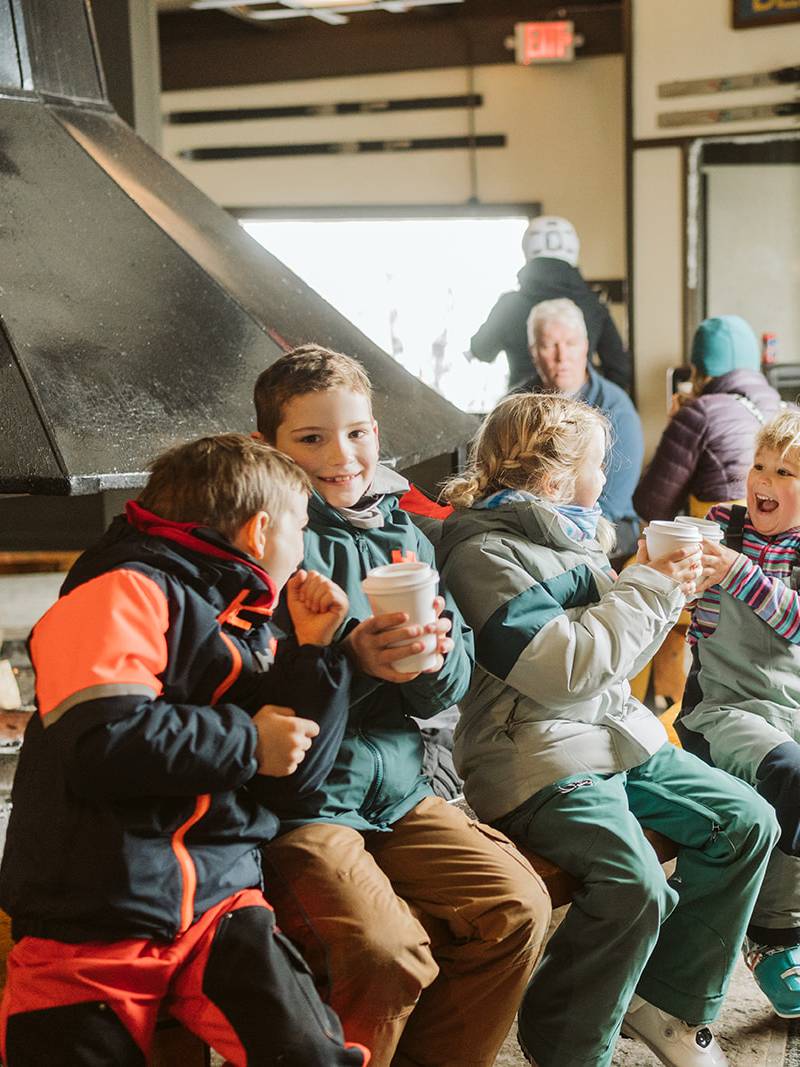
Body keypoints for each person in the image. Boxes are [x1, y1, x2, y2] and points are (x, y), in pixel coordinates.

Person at [0, 434, 369, 1067]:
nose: (305, 546)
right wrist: (249, 740)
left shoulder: (249, 622)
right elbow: (101, 742)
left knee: (314, 1055)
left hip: (219, 904)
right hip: (92, 915)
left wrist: (316, 653)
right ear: (259, 532)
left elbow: (293, 782)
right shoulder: (118, 593)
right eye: (301, 528)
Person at [436, 391, 779, 1067]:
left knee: (747, 821)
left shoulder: (574, 533)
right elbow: (563, 671)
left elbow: (610, 658)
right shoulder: (484, 554)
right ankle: (565, 1043)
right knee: (634, 885)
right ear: (553, 479)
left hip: (608, 733)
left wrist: (666, 589)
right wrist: (646, 585)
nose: (606, 477)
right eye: (599, 464)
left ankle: (664, 999)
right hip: (534, 755)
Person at [253, 344, 550, 1067]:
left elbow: (449, 689)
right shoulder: (269, 542)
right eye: (312, 438)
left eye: (356, 432)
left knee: (519, 907)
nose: (342, 456)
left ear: (376, 433)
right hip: (305, 803)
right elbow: (249, 686)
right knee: (387, 951)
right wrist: (352, 662)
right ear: (270, 447)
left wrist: (435, 660)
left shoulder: (406, 535)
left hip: (400, 787)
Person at [677, 410, 800, 1021]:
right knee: (792, 772)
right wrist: (678, 574)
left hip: (792, 707)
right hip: (722, 710)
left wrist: (738, 573)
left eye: (784, 472)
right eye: (758, 466)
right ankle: (774, 935)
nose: (763, 480)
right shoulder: (720, 528)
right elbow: (685, 608)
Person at [517, 296, 643, 560]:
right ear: (533, 351)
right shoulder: (515, 405)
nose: (562, 357)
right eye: (549, 346)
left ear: (586, 347)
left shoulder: (616, 408)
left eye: (570, 344)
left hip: (605, 526)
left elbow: (609, 506)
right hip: (530, 525)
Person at [635, 315, 782, 522]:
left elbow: (651, 507)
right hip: (778, 542)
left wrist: (674, 425)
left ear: (698, 370)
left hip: (720, 539)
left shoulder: (699, 414)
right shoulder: (788, 413)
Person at [468, 215, 631, 392]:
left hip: (520, 405)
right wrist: (596, 399)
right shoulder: (593, 305)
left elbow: (481, 350)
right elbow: (620, 370)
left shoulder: (508, 306)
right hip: (579, 406)